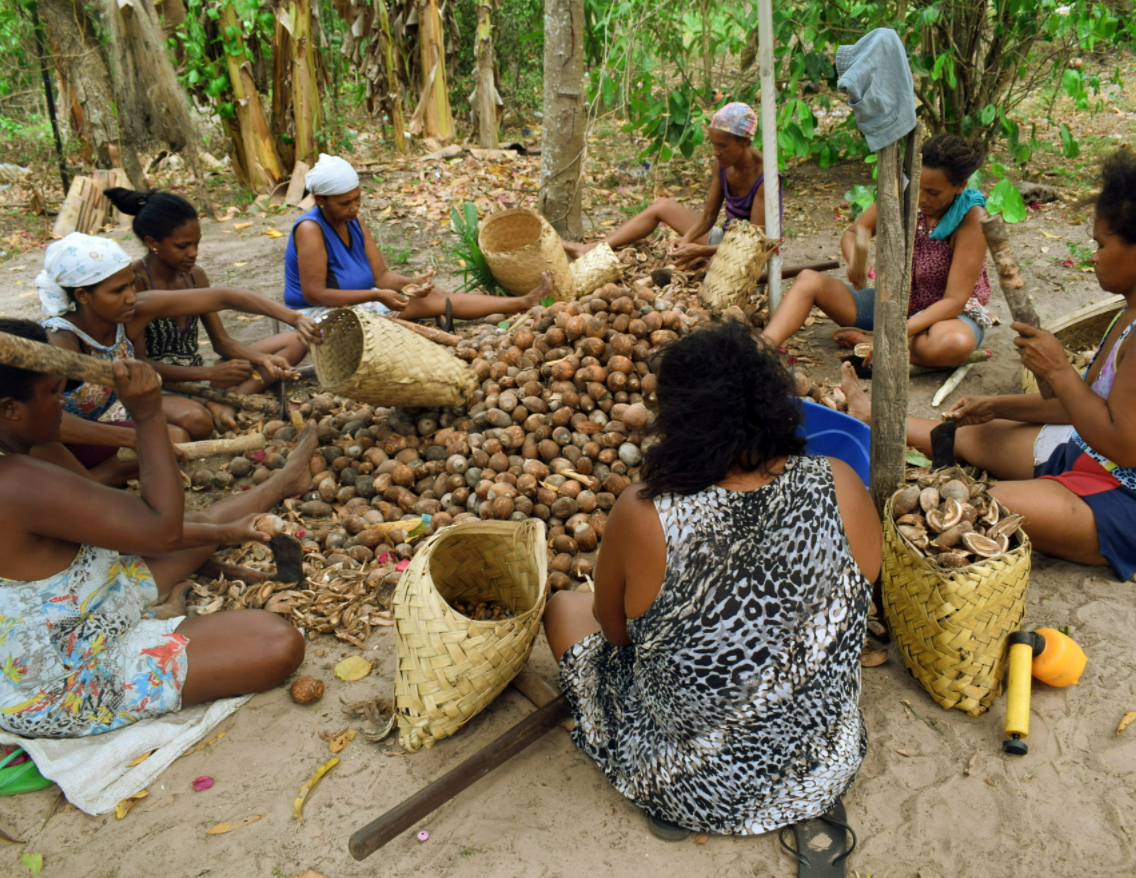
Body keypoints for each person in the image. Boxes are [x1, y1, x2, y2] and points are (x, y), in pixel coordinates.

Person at [543, 320, 881, 844]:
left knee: (565, 607)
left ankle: (670, 785)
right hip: (820, 766)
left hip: (689, 783)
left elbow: (614, 634)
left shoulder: (644, 511)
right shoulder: (837, 478)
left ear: (678, 420)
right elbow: (854, 596)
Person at [0, 318, 314, 738]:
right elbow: (160, 529)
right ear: (9, 409)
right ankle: (161, 612)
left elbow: (120, 519)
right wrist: (146, 416)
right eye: (54, 394)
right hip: (63, 678)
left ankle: (283, 483)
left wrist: (223, 533)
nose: (62, 404)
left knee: (197, 526)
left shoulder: (30, 455)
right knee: (276, 643)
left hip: (88, 599)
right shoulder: (17, 481)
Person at [840, 148, 1136, 580]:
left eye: (1101, 244)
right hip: (1086, 448)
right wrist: (1000, 406)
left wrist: (1056, 371)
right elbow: (1085, 406)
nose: (1093, 255)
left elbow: (1124, 445)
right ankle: (872, 417)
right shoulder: (1125, 312)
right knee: (972, 432)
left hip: (1121, 499)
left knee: (964, 510)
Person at [37, 232, 320, 484]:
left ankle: (104, 474)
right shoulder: (61, 342)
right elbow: (45, 421)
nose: (131, 297)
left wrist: (294, 317)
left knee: (177, 440)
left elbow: (222, 297)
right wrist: (129, 438)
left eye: (131, 286)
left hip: (94, 428)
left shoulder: (128, 317)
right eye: (117, 291)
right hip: (49, 439)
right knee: (147, 454)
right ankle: (92, 478)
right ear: (83, 296)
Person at [763, 133, 992, 368]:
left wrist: (894, 333)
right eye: (917, 187)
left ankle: (872, 343)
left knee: (953, 344)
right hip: (895, 305)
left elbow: (953, 301)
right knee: (808, 280)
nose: (921, 199)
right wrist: (856, 261)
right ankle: (762, 348)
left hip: (947, 318)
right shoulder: (905, 196)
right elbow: (855, 232)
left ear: (960, 186)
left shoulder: (972, 220)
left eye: (933, 193)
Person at [105, 187, 311, 433]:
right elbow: (141, 364)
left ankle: (225, 402)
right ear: (152, 243)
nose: (193, 253)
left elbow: (221, 341)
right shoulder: (134, 283)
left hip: (201, 376)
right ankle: (216, 402)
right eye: (182, 246)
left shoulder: (194, 275)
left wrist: (263, 358)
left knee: (295, 342)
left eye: (197, 243)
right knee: (196, 422)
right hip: (160, 383)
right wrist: (211, 371)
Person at [284, 154, 549, 321]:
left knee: (430, 296)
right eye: (344, 203)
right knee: (423, 305)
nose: (354, 207)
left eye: (357, 199)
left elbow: (382, 278)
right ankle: (520, 304)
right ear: (320, 200)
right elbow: (315, 294)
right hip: (315, 314)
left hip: (362, 298)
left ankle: (519, 304)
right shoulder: (310, 229)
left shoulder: (354, 222)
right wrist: (377, 297)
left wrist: (412, 282)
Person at [561, 102, 783, 266]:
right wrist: (685, 242)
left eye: (723, 146)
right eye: (713, 145)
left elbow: (756, 244)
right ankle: (592, 248)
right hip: (723, 239)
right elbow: (707, 217)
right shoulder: (722, 163)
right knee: (662, 206)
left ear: (744, 141)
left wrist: (703, 251)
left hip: (749, 253)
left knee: (714, 270)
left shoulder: (767, 177)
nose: (716, 152)